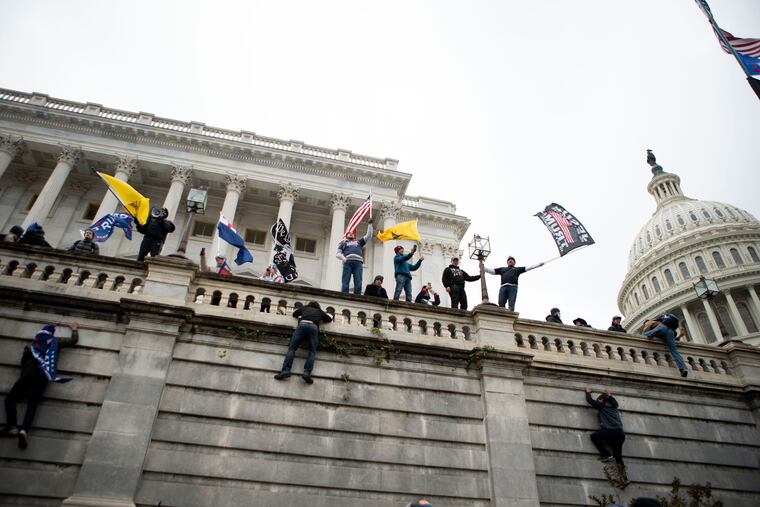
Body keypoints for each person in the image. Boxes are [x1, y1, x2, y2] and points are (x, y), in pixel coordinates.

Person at [3, 321, 79, 449]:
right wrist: (74, 329)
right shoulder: (55, 342)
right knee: (32, 404)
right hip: (43, 376)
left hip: (28, 375)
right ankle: (24, 430)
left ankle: (12, 426)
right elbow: (73, 340)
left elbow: (23, 361)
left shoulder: (34, 343)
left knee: (11, 399)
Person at [274, 301, 333, 384]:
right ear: (318, 306)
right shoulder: (319, 311)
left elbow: (294, 314)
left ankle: (285, 370)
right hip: (313, 327)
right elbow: (329, 319)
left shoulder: (305, 308)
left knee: (292, 349)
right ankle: (307, 373)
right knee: (312, 351)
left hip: (302, 325)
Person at [584, 387, 630, 488]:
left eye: (599, 400)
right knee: (618, 457)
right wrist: (609, 395)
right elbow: (614, 402)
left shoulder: (603, 405)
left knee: (594, 436)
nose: (598, 401)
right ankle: (625, 479)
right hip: (620, 434)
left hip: (611, 432)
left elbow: (590, 401)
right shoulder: (613, 406)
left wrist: (588, 392)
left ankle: (606, 454)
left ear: (601, 400)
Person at [643, 313, 688, 377]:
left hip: (662, 328)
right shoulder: (662, 320)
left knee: (644, 335)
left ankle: (652, 334)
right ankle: (683, 368)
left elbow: (645, 332)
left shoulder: (648, 322)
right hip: (670, 332)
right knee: (674, 351)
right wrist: (679, 336)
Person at [336, 218, 374, 294]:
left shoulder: (359, 242)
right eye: (349, 233)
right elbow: (338, 254)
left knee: (358, 280)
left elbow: (369, 235)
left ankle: (357, 295)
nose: (351, 234)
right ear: (346, 236)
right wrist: (343, 258)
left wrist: (370, 224)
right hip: (348, 261)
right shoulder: (343, 243)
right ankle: (344, 294)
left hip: (358, 262)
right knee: (345, 280)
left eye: (352, 233)